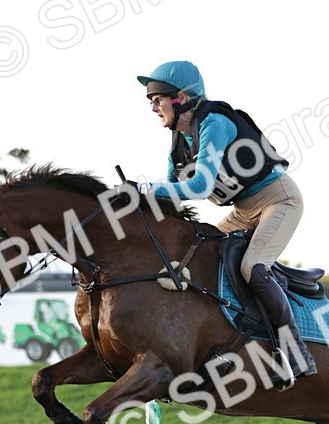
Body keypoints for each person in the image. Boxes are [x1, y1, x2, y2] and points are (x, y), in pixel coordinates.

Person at [128, 60, 315, 389]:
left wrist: (146, 188)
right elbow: (173, 199)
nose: (153, 107)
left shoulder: (213, 122)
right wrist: (134, 203)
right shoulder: (179, 142)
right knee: (200, 256)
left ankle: (295, 352)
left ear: (181, 98)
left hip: (278, 200)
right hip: (243, 210)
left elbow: (199, 188)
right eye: (151, 101)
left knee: (252, 267)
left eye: (156, 98)